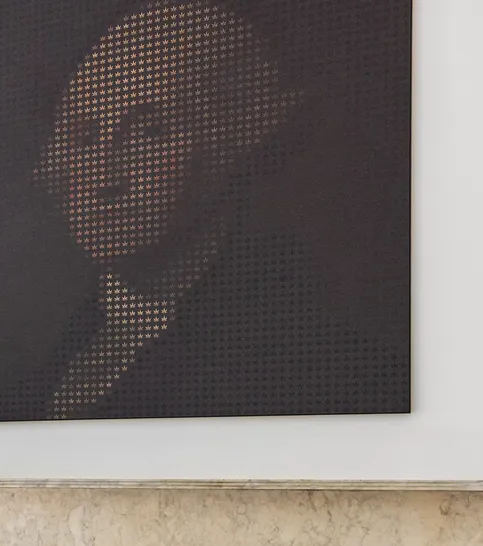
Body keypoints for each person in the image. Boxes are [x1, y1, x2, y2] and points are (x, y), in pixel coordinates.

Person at [27, 0, 406, 419]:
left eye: (149, 133)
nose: (104, 177)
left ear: (236, 145)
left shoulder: (313, 359)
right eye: (84, 139)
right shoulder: (58, 355)